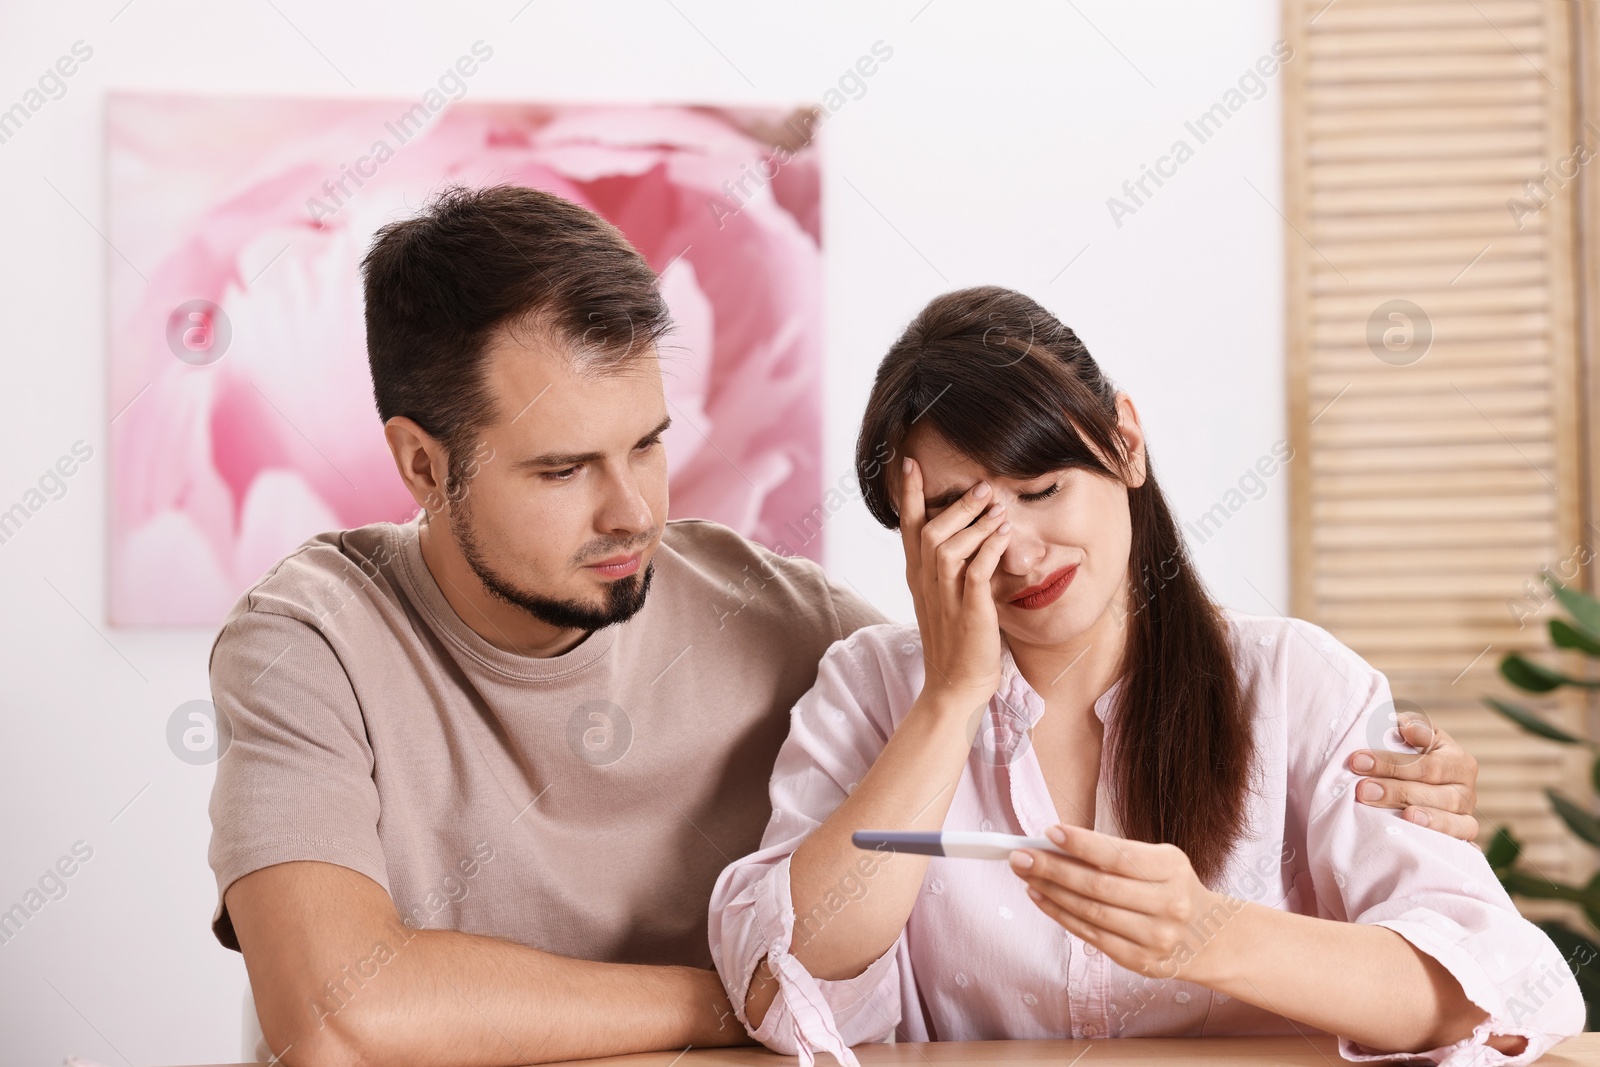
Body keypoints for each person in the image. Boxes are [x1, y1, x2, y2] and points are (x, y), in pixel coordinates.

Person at [207, 186, 1486, 1067]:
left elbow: (992, 686)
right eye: (561, 471)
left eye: (650, 444)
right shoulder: (311, 638)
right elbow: (337, 1012)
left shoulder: (790, 622)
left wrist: (1400, 778)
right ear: (423, 466)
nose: (631, 509)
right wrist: (759, 996)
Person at [708, 286, 1582, 1067]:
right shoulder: (868, 691)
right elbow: (782, 981)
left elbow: (1484, 986)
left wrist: (1206, 933)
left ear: (1125, 443)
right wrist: (950, 698)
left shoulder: (1297, 683)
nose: (1016, 551)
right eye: (957, 516)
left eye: (1043, 488)